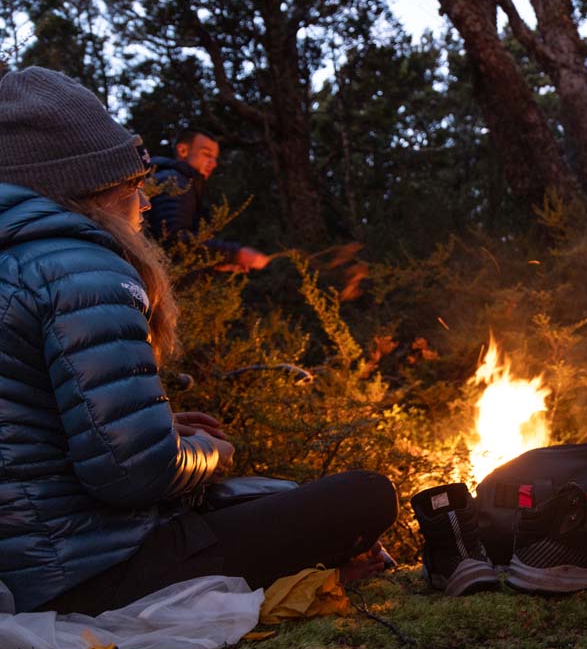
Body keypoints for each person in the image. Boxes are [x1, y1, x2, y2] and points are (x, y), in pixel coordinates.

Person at [0, 66, 396, 616]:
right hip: (94, 574)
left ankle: (327, 561)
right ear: (104, 187)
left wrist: (160, 428)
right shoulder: (80, 268)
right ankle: (330, 562)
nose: (143, 207)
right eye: (137, 188)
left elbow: (32, 437)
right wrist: (209, 453)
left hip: (31, 565)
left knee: (276, 492)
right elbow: (133, 474)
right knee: (365, 495)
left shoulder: (17, 263)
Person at [146, 128, 271, 274]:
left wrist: (214, 264)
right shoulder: (175, 182)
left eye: (215, 158)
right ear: (183, 150)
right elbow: (173, 241)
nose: (214, 163)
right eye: (206, 154)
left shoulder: (185, 184)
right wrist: (236, 254)